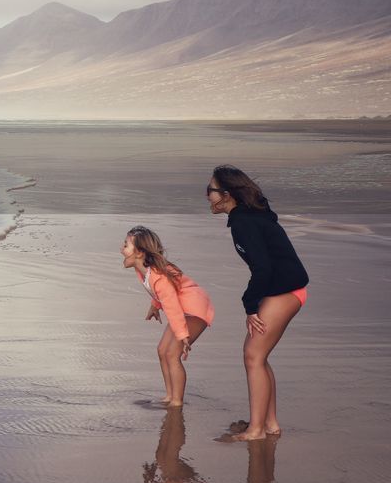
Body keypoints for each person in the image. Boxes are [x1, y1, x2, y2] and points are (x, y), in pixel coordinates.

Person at [207, 165, 308, 442]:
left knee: (253, 356)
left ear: (227, 194)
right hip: (285, 290)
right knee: (259, 358)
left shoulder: (244, 222)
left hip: (284, 292)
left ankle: (255, 430)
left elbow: (262, 268)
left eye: (210, 191)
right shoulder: (247, 218)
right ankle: (270, 424)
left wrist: (250, 306)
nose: (207, 197)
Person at [121, 226, 215, 407]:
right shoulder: (144, 270)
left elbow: (171, 304)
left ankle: (177, 401)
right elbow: (163, 294)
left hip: (194, 309)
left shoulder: (157, 276)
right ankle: (169, 396)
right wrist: (155, 306)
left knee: (173, 354)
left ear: (139, 253)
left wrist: (183, 335)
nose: (121, 249)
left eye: (126, 245)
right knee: (162, 350)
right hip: (182, 308)